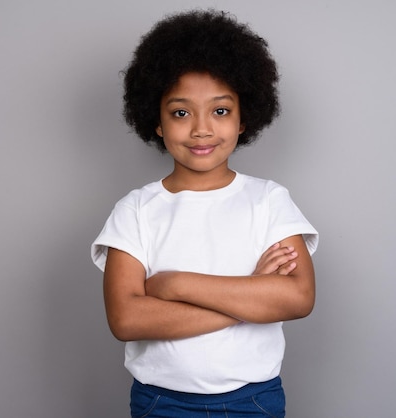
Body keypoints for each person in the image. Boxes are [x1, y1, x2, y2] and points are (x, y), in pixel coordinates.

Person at [91, 10, 319, 417]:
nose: (201, 129)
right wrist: (250, 296)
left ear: (244, 117)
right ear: (156, 121)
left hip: (253, 400)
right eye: (181, 112)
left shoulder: (269, 201)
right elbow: (126, 318)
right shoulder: (136, 210)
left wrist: (176, 284)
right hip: (161, 402)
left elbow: (297, 297)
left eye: (220, 111)